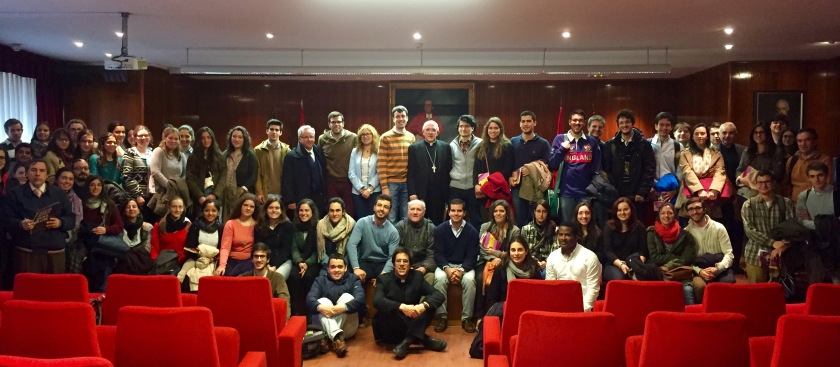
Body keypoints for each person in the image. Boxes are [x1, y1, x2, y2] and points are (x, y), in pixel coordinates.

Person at [1, 160, 75, 274]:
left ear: (47, 175)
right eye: (33, 170)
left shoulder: (59, 193)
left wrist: (60, 222)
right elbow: (7, 220)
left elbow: (71, 219)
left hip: (54, 252)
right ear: (26, 173)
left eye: (42, 171)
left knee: (54, 290)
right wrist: (20, 224)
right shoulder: (15, 193)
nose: (37, 174)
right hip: (27, 252)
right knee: (29, 290)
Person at [373, 247, 447, 360]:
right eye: (398, 261)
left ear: (410, 265)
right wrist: (402, 307)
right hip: (390, 329)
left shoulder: (417, 276)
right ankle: (424, 339)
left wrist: (423, 306)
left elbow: (439, 295)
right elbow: (377, 300)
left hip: (410, 322)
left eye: (405, 261)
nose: (402, 264)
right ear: (393, 264)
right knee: (388, 308)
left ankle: (407, 342)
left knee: (429, 305)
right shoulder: (383, 279)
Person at [432, 199, 480, 333]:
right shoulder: (440, 230)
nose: (456, 213)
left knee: (470, 281)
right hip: (445, 265)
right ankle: (442, 317)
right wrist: (447, 269)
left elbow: (472, 256)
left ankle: (466, 319)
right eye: (453, 210)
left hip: (465, 266)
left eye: (459, 211)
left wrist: (462, 270)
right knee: (440, 279)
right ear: (448, 212)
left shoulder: (472, 232)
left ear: (464, 213)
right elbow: (438, 254)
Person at [306, 253, 366, 357]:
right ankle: (337, 339)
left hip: (348, 328)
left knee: (347, 297)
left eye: (340, 267)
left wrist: (342, 308)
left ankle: (327, 338)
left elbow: (360, 300)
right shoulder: (320, 280)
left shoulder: (353, 279)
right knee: (323, 301)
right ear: (327, 269)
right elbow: (309, 300)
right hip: (324, 327)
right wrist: (321, 307)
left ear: (345, 268)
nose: (336, 270)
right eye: (333, 267)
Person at [548, 109, 602, 223]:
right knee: (567, 226)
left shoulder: (591, 141)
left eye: (580, 120)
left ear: (584, 123)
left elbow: (597, 168)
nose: (577, 123)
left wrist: (594, 190)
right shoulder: (559, 139)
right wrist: (562, 149)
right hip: (566, 193)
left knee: (585, 225)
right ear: (569, 122)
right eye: (575, 120)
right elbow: (552, 164)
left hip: (585, 193)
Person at [742, 171, 795, 284]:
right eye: (760, 182)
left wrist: (782, 246)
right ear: (756, 184)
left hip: (781, 255)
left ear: (773, 183)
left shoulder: (785, 203)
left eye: (767, 182)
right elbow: (749, 230)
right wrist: (772, 243)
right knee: (757, 294)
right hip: (755, 254)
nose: (763, 185)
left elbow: (792, 229)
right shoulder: (749, 204)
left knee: (778, 293)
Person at [603, 109, 655, 221]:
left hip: (637, 195)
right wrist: (613, 191)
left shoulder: (644, 144)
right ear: (618, 125)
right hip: (617, 194)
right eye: (621, 123)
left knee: (637, 224)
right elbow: (607, 170)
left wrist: (642, 191)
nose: (624, 125)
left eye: (627, 122)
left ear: (632, 123)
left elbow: (649, 169)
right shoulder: (611, 145)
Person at [684, 197, 735, 304]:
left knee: (726, 286)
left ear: (704, 209)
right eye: (691, 209)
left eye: (698, 208)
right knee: (699, 287)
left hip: (719, 266)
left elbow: (729, 255)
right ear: (687, 212)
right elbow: (686, 260)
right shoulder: (686, 232)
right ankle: (701, 315)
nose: (695, 212)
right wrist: (700, 271)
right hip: (698, 268)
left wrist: (718, 268)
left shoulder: (719, 228)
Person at [795, 162, 839, 284]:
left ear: (827, 176)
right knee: (816, 281)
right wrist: (825, 224)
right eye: (813, 176)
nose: (817, 179)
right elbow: (801, 220)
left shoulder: (836, 194)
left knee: (837, 279)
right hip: (815, 242)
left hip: (835, 242)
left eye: (820, 175)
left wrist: (816, 221)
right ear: (808, 178)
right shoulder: (804, 196)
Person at [475, 200, 520, 317]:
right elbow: (482, 250)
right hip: (486, 261)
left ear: (507, 213)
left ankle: (502, 313)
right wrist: (492, 258)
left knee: (502, 279)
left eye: (501, 211)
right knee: (480, 278)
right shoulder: (485, 227)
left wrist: (498, 255)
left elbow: (513, 251)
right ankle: (480, 315)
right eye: (495, 211)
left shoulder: (514, 230)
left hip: (506, 263)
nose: (498, 214)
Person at [79, 175, 124, 292]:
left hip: (103, 248)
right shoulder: (81, 204)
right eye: (92, 185)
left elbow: (119, 226)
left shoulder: (109, 204)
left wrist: (106, 229)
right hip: (86, 247)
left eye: (99, 185)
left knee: (102, 282)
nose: (95, 188)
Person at [646, 202, 697, 304]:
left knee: (687, 290)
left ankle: (691, 317)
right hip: (659, 273)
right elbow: (654, 257)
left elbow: (687, 258)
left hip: (680, 274)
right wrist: (675, 257)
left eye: (670, 213)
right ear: (659, 215)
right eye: (663, 213)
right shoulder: (652, 233)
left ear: (675, 215)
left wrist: (669, 265)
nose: (666, 216)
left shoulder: (685, 235)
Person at [545, 221, 602, 311]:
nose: (563, 238)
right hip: (559, 306)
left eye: (568, 235)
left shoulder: (590, 257)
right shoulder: (552, 256)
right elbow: (550, 286)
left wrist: (582, 310)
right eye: (560, 235)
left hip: (583, 307)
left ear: (576, 237)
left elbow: (593, 289)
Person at [675, 123, 728, 221]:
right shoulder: (685, 154)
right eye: (697, 134)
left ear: (707, 136)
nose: (700, 136)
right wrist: (699, 190)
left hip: (711, 196)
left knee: (711, 226)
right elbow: (688, 172)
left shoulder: (716, 153)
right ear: (692, 137)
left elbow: (720, 172)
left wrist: (714, 190)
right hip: (691, 193)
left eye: (702, 133)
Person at [345, 195, 400, 286]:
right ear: (374, 207)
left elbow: (392, 257)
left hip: (382, 263)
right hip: (364, 261)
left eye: (385, 207)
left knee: (387, 283)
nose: (382, 209)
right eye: (379, 205)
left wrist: (384, 273)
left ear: (389, 211)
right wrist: (356, 268)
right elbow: (351, 244)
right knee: (355, 281)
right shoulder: (362, 222)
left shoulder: (393, 231)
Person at [509, 111, 550, 226]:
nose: (525, 124)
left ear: (534, 123)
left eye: (529, 121)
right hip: (517, 188)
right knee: (520, 221)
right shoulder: (513, 141)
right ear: (519, 124)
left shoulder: (543, 143)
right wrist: (509, 178)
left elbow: (546, 165)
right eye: (523, 121)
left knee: (536, 221)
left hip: (535, 189)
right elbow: (509, 163)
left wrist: (531, 169)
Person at [407, 120, 452, 224]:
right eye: (428, 130)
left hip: (440, 193)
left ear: (437, 132)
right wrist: (412, 193)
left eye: (433, 130)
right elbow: (411, 173)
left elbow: (449, 170)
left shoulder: (446, 147)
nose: (430, 132)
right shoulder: (414, 148)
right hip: (421, 192)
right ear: (423, 132)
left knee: (438, 221)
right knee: (420, 221)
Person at [377, 105, 416, 222]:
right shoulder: (385, 137)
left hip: (406, 183)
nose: (400, 119)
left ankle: (403, 241)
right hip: (391, 184)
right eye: (397, 117)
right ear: (393, 119)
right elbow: (381, 163)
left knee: (405, 217)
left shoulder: (411, 137)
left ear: (407, 118)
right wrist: (384, 187)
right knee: (391, 217)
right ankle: (392, 241)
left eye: (403, 116)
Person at [474, 117, 514, 221]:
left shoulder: (507, 146)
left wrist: (492, 183)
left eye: (496, 128)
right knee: (486, 221)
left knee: (500, 219)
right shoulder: (481, 146)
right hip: (484, 190)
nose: (493, 130)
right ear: (486, 129)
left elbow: (507, 169)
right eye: (490, 128)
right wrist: (476, 185)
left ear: (501, 129)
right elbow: (476, 168)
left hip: (499, 189)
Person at [319, 111, 358, 217]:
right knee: (332, 212)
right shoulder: (323, 138)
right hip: (330, 182)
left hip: (348, 182)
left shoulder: (353, 137)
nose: (336, 124)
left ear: (343, 123)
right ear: (329, 124)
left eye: (339, 122)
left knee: (349, 212)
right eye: (333, 122)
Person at [485, 236, 541, 308]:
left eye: (520, 250)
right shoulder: (501, 269)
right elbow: (491, 298)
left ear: (526, 251)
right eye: (513, 250)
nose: (516, 253)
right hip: (505, 311)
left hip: (528, 311)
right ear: (509, 252)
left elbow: (539, 297)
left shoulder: (534, 270)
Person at [282, 125, 327, 215]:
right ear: (299, 139)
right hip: (301, 198)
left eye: (311, 137)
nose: (309, 139)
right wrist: (290, 200)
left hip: (318, 197)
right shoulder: (292, 156)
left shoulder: (319, 152)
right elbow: (287, 180)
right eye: (305, 137)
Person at [602, 197, 649, 282]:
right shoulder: (609, 227)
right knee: (620, 279)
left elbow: (643, 251)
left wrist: (637, 267)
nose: (622, 213)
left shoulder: (640, 227)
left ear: (631, 210)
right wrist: (621, 265)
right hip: (614, 264)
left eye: (625, 209)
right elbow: (608, 251)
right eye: (619, 210)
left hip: (635, 263)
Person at [288, 198, 321, 317]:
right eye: (301, 210)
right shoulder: (293, 226)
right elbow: (293, 247)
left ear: (312, 212)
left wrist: (307, 263)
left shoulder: (319, 226)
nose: (303, 213)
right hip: (298, 261)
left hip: (313, 261)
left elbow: (318, 250)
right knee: (293, 276)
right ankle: (296, 311)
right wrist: (300, 262)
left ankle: (310, 312)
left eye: (307, 210)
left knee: (309, 276)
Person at [240, 242, 291, 319]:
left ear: (268, 260)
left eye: (262, 256)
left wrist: (284, 321)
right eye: (256, 256)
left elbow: (284, 302)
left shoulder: (278, 278)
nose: (259, 260)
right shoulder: (243, 278)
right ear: (252, 259)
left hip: (270, 318)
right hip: (249, 318)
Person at [449, 114, 483, 228]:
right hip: (455, 186)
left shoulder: (481, 144)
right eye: (461, 126)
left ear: (472, 128)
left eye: (467, 126)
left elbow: (483, 166)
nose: (463, 129)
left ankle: (475, 243)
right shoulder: (451, 145)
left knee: (475, 218)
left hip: (473, 187)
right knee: (455, 217)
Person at [784, 128, 834, 204]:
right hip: (794, 205)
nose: (803, 144)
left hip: (815, 204)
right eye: (800, 141)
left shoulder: (824, 160)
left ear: (815, 142)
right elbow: (787, 185)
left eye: (807, 140)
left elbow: (827, 186)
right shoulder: (792, 160)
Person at [393, 200, 437, 285]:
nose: (415, 212)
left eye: (418, 210)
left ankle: (423, 299)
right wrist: (406, 266)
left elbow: (432, 253)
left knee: (431, 277)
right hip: (404, 265)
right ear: (408, 212)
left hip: (424, 267)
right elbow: (396, 251)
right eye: (412, 209)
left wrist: (424, 268)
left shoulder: (431, 228)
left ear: (424, 212)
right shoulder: (400, 226)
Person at [185, 127, 227, 216]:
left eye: (208, 137)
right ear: (199, 140)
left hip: (215, 194)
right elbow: (190, 178)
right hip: (199, 196)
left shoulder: (219, 156)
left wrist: (215, 194)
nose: (206, 140)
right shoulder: (193, 157)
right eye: (203, 138)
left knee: (215, 222)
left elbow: (223, 177)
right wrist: (200, 196)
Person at [736, 123, 782, 200]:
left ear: (767, 134)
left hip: (768, 191)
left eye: (761, 132)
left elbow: (778, 174)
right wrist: (740, 179)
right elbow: (740, 169)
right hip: (747, 191)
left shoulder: (776, 151)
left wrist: (755, 179)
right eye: (756, 132)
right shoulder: (747, 151)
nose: (758, 135)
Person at [221, 126, 258, 220]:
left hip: (241, 193)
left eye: (240, 137)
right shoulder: (225, 154)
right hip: (225, 193)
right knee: (226, 220)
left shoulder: (250, 155)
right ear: (230, 138)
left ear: (244, 139)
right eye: (234, 136)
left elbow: (253, 175)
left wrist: (244, 188)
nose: (237, 139)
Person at [182, 199, 223, 284]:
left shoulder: (221, 228)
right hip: (196, 258)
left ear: (218, 212)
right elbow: (190, 245)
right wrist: (199, 256)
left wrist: (213, 258)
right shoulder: (196, 225)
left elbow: (223, 248)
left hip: (213, 260)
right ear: (202, 211)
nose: (210, 213)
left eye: (214, 210)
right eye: (207, 210)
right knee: (185, 277)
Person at [647, 112, 683, 210]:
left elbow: (680, 170)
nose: (664, 128)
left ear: (671, 127)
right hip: (652, 189)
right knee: (652, 219)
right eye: (661, 125)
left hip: (670, 190)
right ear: (656, 126)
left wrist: (675, 190)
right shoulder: (647, 144)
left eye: (667, 125)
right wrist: (648, 187)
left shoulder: (677, 145)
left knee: (668, 217)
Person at [215, 194, 257, 277]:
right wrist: (222, 266)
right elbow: (225, 247)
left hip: (249, 261)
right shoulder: (230, 224)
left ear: (255, 209)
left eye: (251, 206)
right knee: (225, 275)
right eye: (245, 205)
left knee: (240, 275)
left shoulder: (258, 225)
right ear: (240, 206)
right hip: (231, 260)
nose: (248, 208)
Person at [255, 196, 294, 280]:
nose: (274, 210)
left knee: (275, 279)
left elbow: (286, 250)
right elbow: (258, 248)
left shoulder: (288, 226)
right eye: (271, 208)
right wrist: (266, 265)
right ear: (266, 210)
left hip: (283, 261)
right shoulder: (259, 226)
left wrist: (275, 266)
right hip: (263, 260)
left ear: (281, 211)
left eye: (277, 208)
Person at [348, 124, 381, 219]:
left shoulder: (379, 151)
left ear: (373, 135)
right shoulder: (355, 151)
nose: (365, 136)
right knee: (360, 219)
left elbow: (380, 172)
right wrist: (361, 189)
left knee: (374, 219)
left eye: (368, 134)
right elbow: (351, 173)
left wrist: (370, 189)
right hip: (358, 193)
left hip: (375, 192)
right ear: (359, 137)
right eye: (363, 135)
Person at [113, 198, 153, 275]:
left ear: (138, 210)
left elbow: (147, 249)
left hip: (141, 263)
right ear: (124, 212)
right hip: (122, 264)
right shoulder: (118, 228)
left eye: (134, 206)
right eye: (128, 207)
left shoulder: (147, 227)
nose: (131, 209)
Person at [254, 119, 290, 204]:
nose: (274, 132)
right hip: (266, 194)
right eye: (271, 129)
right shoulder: (258, 150)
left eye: (277, 130)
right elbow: (256, 173)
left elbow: (290, 174)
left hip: (282, 193)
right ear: (267, 131)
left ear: (281, 132)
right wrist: (259, 192)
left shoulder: (287, 150)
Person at [150, 197, 191, 272]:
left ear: (184, 208)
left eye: (180, 207)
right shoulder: (159, 225)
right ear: (169, 208)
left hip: (180, 262)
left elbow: (188, 248)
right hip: (162, 261)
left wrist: (181, 260)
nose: (177, 210)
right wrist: (155, 261)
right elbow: (155, 247)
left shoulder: (188, 225)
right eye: (174, 207)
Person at [316, 197, 356, 273]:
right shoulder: (321, 225)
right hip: (326, 266)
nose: (334, 214)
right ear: (328, 211)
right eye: (332, 210)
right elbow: (320, 251)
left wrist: (341, 265)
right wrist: (331, 265)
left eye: (338, 210)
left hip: (346, 265)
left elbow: (353, 249)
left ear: (343, 211)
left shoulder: (351, 225)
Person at [121, 125, 153, 216]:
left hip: (150, 197)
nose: (143, 138)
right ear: (135, 139)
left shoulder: (153, 153)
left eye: (146, 135)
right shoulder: (130, 153)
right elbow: (126, 176)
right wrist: (138, 194)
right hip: (134, 198)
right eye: (140, 136)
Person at [520, 200, 557, 275]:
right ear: (534, 212)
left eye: (544, 211)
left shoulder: (554, 228)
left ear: (548, 213)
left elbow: (555, 248)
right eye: (538, 211)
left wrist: (547, 261)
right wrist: (536, 262)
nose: (541, 214)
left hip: (549, 263)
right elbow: (524, 249)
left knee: (547, 273)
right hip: (531, 262)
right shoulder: (526, 229)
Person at [149, 126, 187, 199]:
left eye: (176, 139)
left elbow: (184, 175)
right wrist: (169, 186)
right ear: (164, 138)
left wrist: (177, 187)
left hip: (177, 193)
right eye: (170, 138)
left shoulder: (181, 155)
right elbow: (155, 172)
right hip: (160, 194)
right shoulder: (158, 151)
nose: (173, 141)